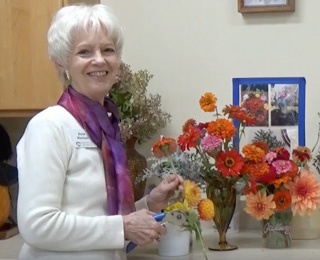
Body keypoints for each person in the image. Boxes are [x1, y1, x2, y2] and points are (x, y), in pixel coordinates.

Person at [16, 4, 183, 260]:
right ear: (64, 64)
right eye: (84, 52)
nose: (99, 59)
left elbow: (98, 217)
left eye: (108, 50)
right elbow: (37, 224)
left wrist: (149, 204)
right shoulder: (49, 126)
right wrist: (123, 227)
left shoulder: (107, 127)